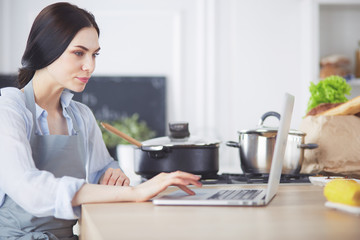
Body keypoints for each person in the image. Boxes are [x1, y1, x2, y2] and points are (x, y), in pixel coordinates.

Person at [0, 2, 202, 239]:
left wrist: (113, 173)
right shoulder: (9, 109)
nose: (90, 66)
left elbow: (102, 169)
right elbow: (30, 190)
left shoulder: (81, 116)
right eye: (79, 53)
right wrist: (135, 192)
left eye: (94, 54)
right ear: (46, 49)